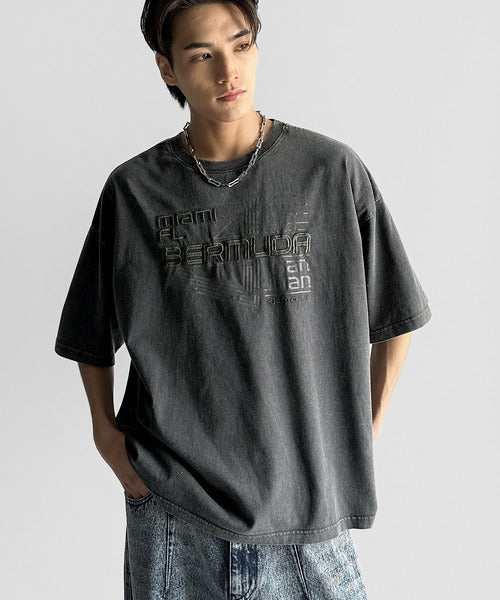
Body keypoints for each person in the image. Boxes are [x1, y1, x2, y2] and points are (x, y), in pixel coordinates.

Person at [54, 1, 432, 598]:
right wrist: (107, 436)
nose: (228, 71)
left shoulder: (330, 172)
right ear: (167, 68)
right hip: (175, 512)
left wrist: (362, 432)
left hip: (308, 514)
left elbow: (396, 317)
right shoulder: (135, 191)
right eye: (202, 54)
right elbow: (89, 334)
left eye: (241, 45)